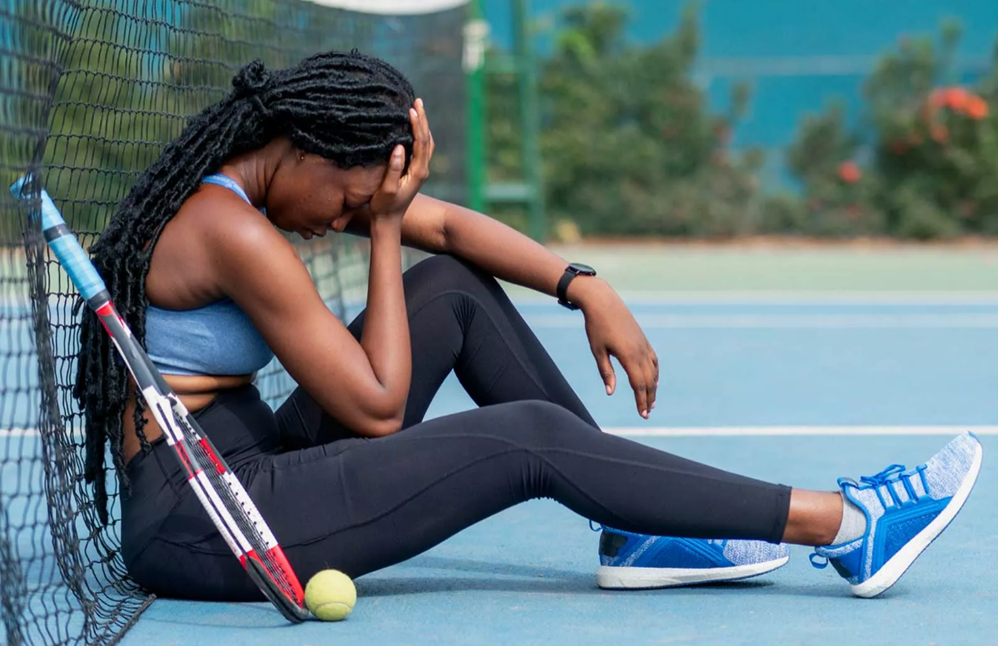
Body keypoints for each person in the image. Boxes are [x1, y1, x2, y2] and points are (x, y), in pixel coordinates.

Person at [76, 51, 982, 603]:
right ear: (307, 149)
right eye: (353, 198)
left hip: (246, 464)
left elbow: (451, 231)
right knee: (529, 439)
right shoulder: (233, 228)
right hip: (214, 522)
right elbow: (382, 407)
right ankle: (844, 525)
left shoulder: (269, 185)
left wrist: (582, 285)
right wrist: (384, 225)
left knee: (450, 289)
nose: (344, 217)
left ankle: (636, 527)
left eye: (365, 205)